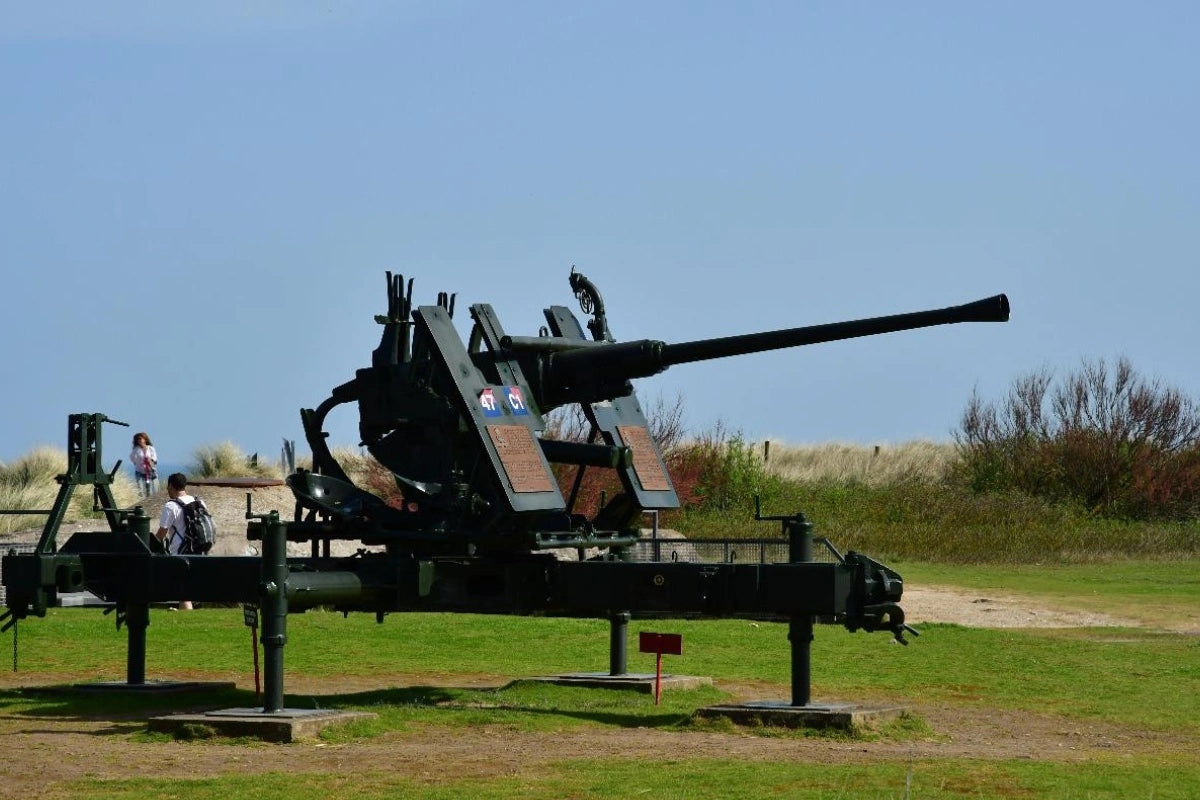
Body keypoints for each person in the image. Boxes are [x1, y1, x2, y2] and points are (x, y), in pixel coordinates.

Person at [156, 472, 206, 610]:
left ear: (171, 486)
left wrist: (151, 544)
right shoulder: (199, 502)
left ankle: (187, 619)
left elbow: (162, 533)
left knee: (184, 593)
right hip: (200, 550)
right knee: (189, 589)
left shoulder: (171, 506)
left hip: (180, 552)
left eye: (168, 487)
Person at [130, 432, 159, 497]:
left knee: (151, 490)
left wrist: (149, 461)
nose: (139, 440)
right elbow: (132, 459)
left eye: (140, 438)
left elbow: (155, 460)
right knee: (141, 490)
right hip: (139, 472)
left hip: (150, 473)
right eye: (137, 439)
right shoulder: (136, 450)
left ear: (145, 439)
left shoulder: (151, 448)